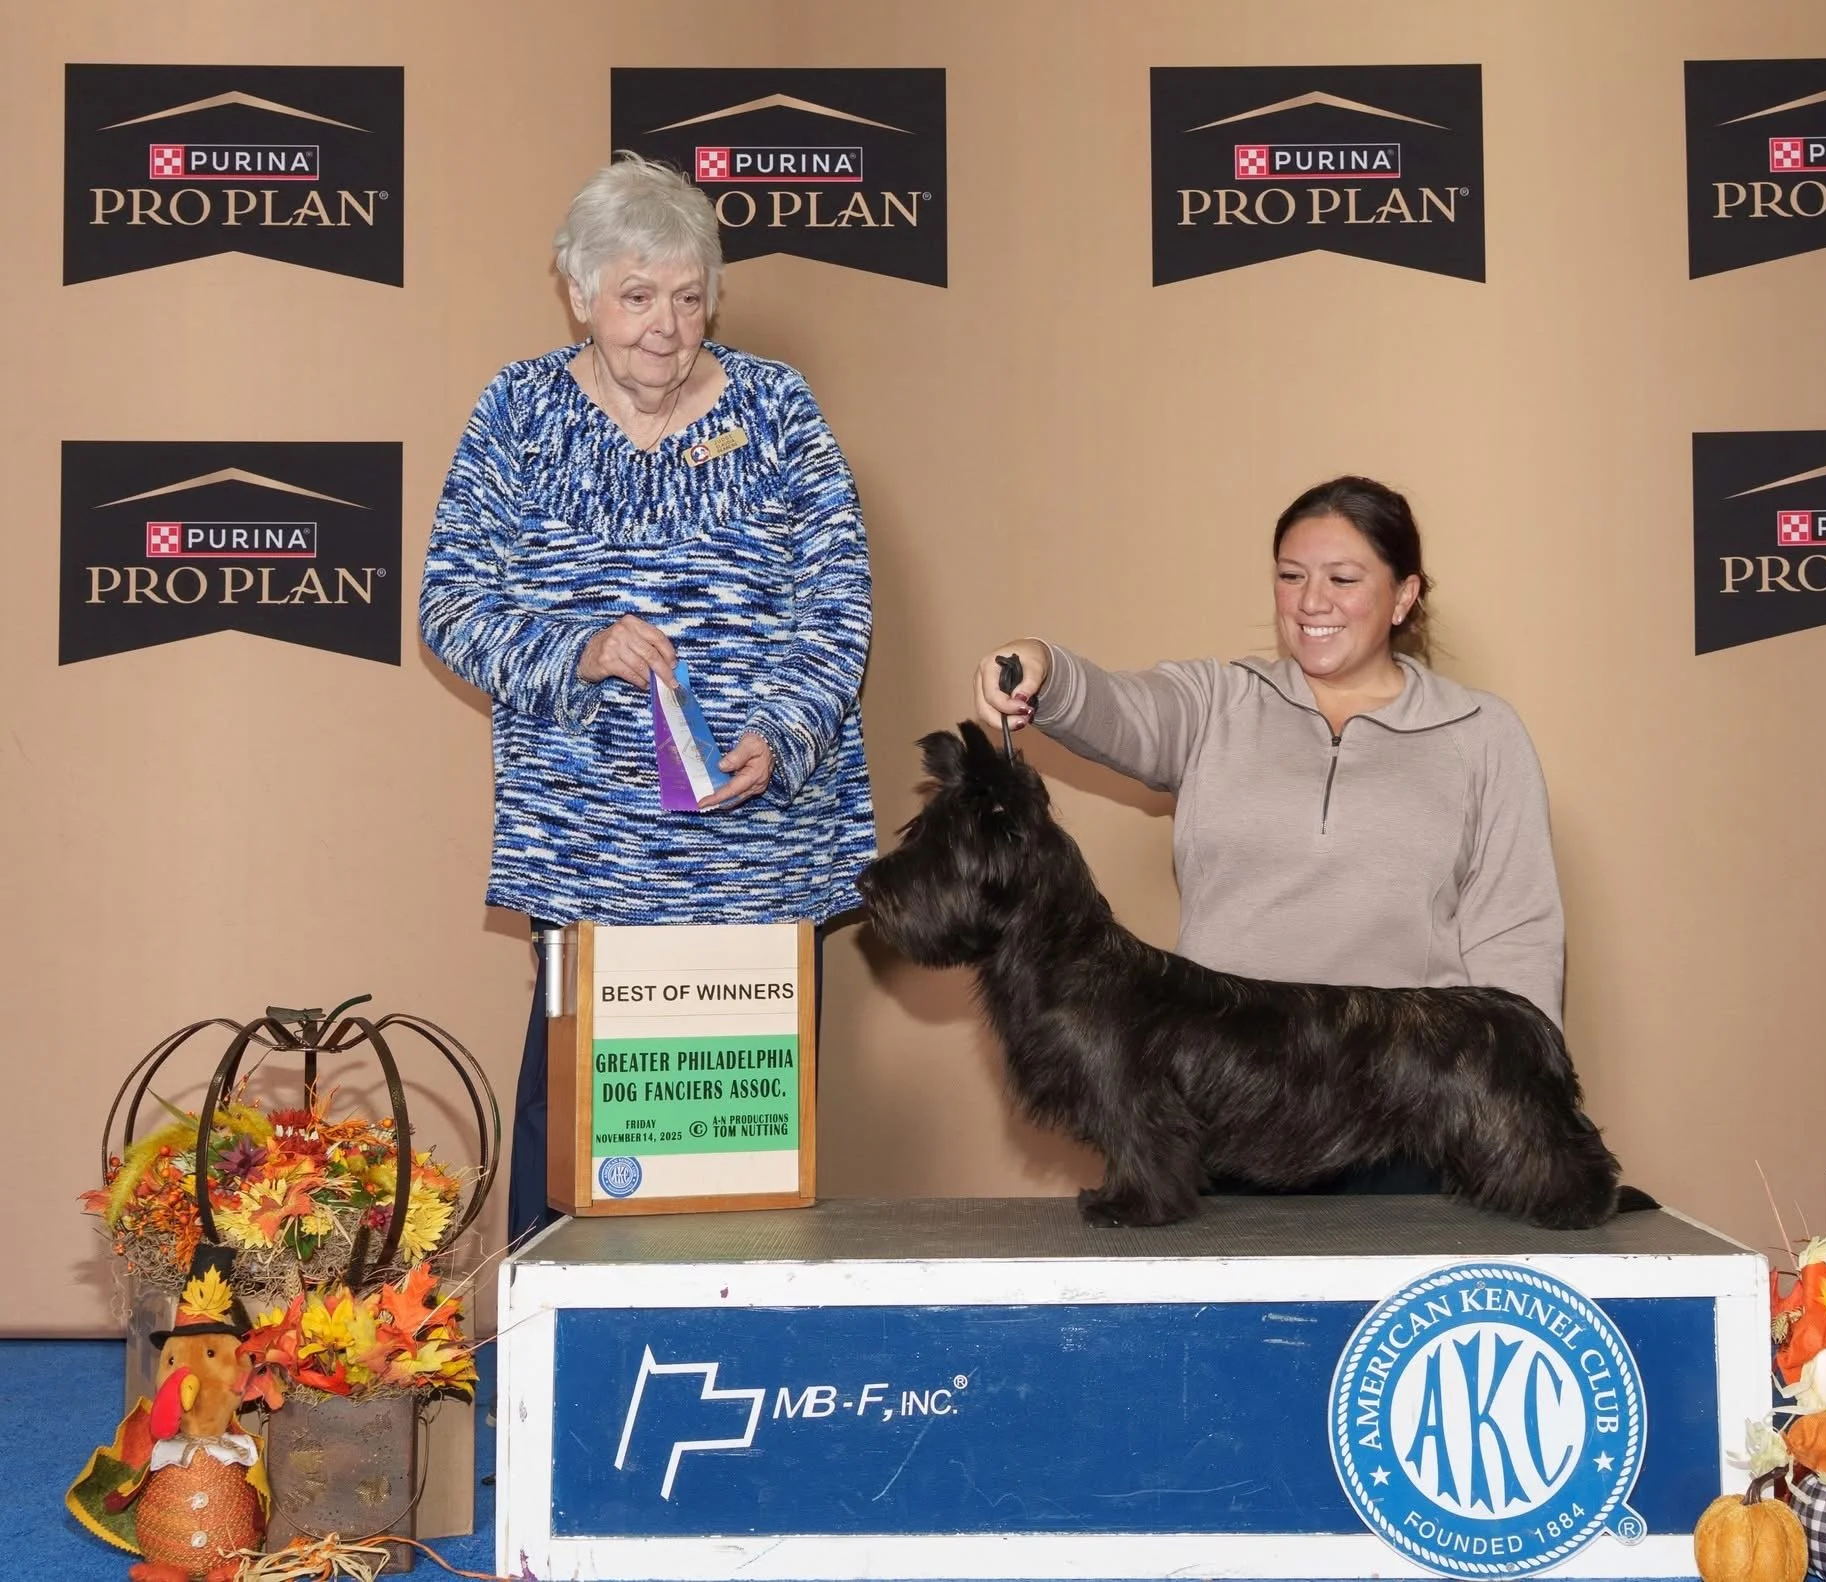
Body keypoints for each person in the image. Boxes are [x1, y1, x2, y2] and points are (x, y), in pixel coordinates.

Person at [421, 152, 875, 1243]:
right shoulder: (519, 411)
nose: (665, 327)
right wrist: (576, 649)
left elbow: (838, 600)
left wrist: (785, 732)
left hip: (758, 845)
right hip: (587, 850)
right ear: (578, 295)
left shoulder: (777, 406)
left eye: (686, 295)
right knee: (573, 1141)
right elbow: (450, 605)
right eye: (635, 297)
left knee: (741, 1144)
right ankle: (557, 1338)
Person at [972, 476, 1562, 1192]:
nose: (1312, 601)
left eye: (1343, 578)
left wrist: (1530, 1110)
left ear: (1404, 595)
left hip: (1410, 1120)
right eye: (1291, 576)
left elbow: (1517, 932)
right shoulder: (1217, 701)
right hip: (1222, 1115)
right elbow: (1117, 707)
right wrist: (1040, 665)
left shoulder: (1483, 734)